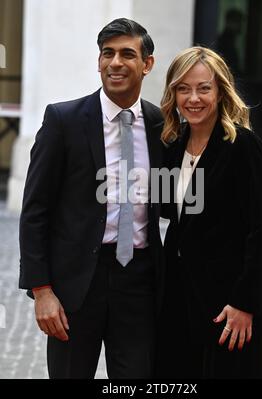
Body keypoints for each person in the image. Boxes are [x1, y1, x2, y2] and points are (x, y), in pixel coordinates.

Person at [19, 18, 164, 379]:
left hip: (139, 282)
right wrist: (42, 291)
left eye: (127, 54)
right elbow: (36, 210)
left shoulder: (162, 124)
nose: (115, 62)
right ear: (99, 62)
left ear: (147, 64)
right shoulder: (63, 120)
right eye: (107, 54)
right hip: (75, 286)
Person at [157, 46, 262, 379]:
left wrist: (245, 304)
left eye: (203, 88)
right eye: (183, 88)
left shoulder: (243, 145)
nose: (193, 98)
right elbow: (176, 217)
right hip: (182, 301)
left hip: (231, 308)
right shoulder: (174, 144)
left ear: (221, 91)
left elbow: (261, 231)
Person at [216, 8, 244, 76]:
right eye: (237, 22)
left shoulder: (231, 40)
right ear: (229, 22)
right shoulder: (225, 42)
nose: (240, 25)